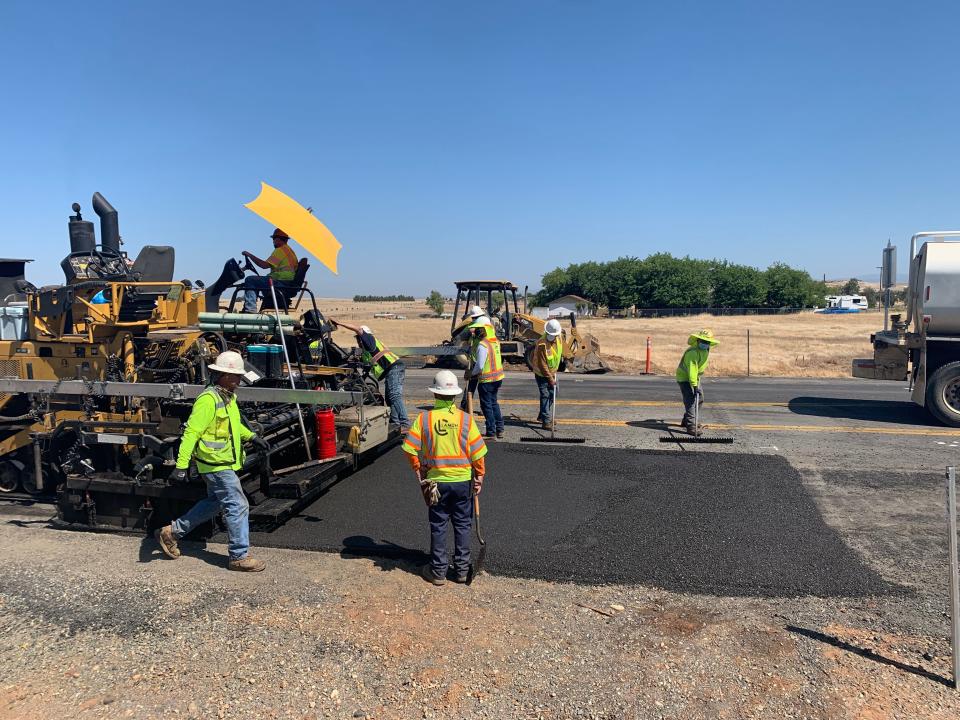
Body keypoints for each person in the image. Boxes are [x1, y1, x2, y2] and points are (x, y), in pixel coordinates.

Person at [155, 350, 269, 571]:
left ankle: (171, 532)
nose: (238, 380)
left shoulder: (228, 398)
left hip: (224, 462)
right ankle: (238, 556)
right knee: (237, 504)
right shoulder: (208, 400)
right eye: (234, 376)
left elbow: (234, 427)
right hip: (215, 464)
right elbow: (191, 433)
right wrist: (181, 465)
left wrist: (252, 437)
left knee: (215, 503)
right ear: (222, 376)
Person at [402, 370, 487, 585]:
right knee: (462, 525)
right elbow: (478, 453)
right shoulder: (466, 420)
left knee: (438, 524)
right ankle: (461, 570)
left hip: (436, 483)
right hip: (462, 483)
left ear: (435, 394)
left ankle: (438, 571)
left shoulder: (425, 419)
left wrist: (419, 468)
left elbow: (409, 448)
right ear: (455, 395)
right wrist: (479, 477)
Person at [330, 319, 409, 429]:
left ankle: (405, 423)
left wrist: (340, 323)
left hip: (394, 368)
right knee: (389, 398)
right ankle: (395, 422)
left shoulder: (369, 340)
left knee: (394, 396)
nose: (358, 341)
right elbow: (366, 363)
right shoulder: (366, 350)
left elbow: (358, 329)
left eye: (358, 338)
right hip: (391, 370)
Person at [240, 228, 299, 313]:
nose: (273, 241)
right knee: (256, 281)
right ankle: (249, 308)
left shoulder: (280, 250)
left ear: (278, 239)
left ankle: (250, 310)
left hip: (280, 283)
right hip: (286, 283)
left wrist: (249, 255)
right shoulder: (289, 251)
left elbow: (263, 265)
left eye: (274, 239)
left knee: (250, 280)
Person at [466, 316, 504, 439]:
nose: (476, 331)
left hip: (487, 380)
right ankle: (500, 429)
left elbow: (480, 365)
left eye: (478, 329)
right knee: (494, 403)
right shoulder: (495, 342)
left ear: (484, 330)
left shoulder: (483, 345)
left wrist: (471, 374)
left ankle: (491, 431)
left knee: (487, 405)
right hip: (497, 378)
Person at [675, 329, 719, 435]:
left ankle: (687, 420)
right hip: (685, 378)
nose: (704, 343)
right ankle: (691, 426)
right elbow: (692, 370)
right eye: (702, 341)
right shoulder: (693, 352)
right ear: (698, 340)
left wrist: (696, 383)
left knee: (700, 398)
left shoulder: (705, 350)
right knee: (690, 400)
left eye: (707, 342)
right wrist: (694, 385)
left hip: (695, 377)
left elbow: (697, 370)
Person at [532, 319, 563, 429]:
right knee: (545, 395)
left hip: (553, 372)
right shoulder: (542, 344)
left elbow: (558, 353)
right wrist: (550, 379)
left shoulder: (559, 338)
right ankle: (546, 421)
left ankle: (542, 416)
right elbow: (542, 364)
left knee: (553, 394)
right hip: (541, 374)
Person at [459, 306, 486, 413]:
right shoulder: (489, 324)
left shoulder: (473, 324)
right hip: (488, 359)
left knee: (471, 384)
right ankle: (485, 409)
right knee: (484, 387)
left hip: (476, 359)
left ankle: (465, 406)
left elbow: (462, 336)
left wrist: (470, 330)